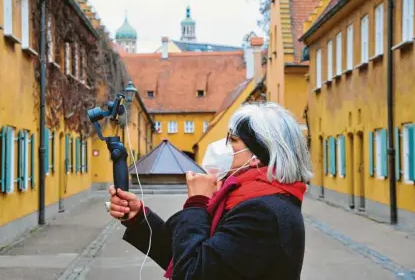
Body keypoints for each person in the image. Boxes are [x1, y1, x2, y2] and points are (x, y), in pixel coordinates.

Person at [107, 102, 312, 280]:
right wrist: (139, 219)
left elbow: (193, 272)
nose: (223, 146)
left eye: (232, 140)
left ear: (259, 154)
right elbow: (184, 255)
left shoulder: (262, 213)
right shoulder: (244, 197)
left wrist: (197, 203)